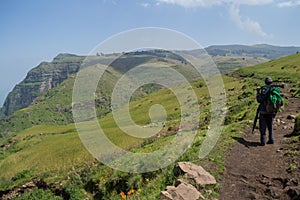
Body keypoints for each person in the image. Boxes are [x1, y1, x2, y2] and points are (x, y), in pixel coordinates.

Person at [256, 77, 281, 146]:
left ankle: (263, 141)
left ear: (265, 82)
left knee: (262, 127)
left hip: (263, 111)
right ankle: (271, 140)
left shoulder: (264, 89)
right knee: (270, 126)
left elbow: (259, 100)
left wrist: (258, 92)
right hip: (271, 111)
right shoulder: (275, 90)